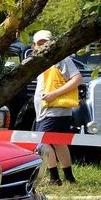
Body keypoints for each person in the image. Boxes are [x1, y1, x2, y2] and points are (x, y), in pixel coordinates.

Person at [32, 29, 82, 185]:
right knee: (58, 143)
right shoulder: (39, 61)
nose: (43, 46)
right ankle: (69, 178)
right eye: (39, 43)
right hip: (46, 110)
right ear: (34, 46)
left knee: (43, 142)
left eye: (46, 43)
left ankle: (54, 178)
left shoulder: (61, 58)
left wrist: (54, 94)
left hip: (55, 110)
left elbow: (77, 78)